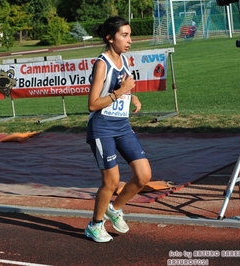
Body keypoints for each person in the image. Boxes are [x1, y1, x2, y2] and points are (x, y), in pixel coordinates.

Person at [84, 16, 152, 243]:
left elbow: (123, 88)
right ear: (109, 37)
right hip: (102, 127)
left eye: (130, 35)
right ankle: (94, 225)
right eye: (124, 35)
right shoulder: (102, 63)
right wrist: (120, 92)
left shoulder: (124, 59)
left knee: (144, 176)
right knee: (111, 182)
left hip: (122, 126)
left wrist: (132, 97)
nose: (129, 40)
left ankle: (115, 208)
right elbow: (93, 103)